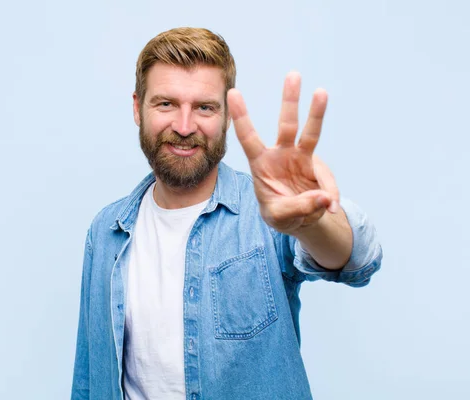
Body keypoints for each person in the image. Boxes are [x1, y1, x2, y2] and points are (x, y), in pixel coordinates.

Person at [71, 27, 382, 400]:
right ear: (138, 108)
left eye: (204, 107)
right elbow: (89, 378)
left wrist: (312, 221)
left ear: (227, 117)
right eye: (166, 104)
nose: (184, 127)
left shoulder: (267, 213)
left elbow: (356, 259)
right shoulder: (105, 231)